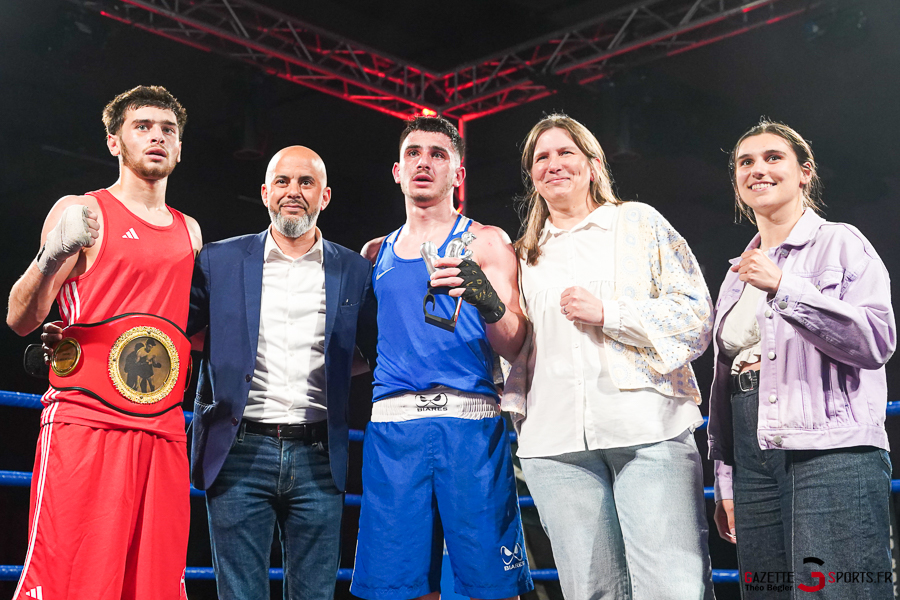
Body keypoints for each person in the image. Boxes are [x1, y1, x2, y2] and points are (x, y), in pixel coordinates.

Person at [501, 114, 715, 600]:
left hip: (647, 430)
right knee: (590, 592)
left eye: (565, 153)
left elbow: (696, 314)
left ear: (593, 164)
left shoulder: (638, 222)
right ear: (532, 176)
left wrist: (611, 313)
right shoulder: (523, 255)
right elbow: (512, 348)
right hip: (554, 444)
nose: (553, 164)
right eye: (541, 157)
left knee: (671, 589)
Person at [6, 85, 201, 600]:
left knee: (153, 584)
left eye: (168, 130)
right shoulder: (82, 213)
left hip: (162, 429)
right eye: (142, 127)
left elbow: (193, 328)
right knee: (72, 577)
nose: (157, 137)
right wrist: (51, 257)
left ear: (180, 148)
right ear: (115, 141)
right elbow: (20, 318)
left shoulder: (191, 232)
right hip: (86, 420)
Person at [708, 121, 895, 599]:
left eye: (773, 158)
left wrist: (785, 288)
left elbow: (876, 339)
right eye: (745, 162)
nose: (757, 169)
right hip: (753, 452)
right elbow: (726, 381)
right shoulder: (737, 273)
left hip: (830, 449)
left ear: (804, 172)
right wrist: (726, 476)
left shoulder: (841, 242)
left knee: (835, 592)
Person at [350, 116, 533, 600]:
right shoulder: (374, 254)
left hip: (470, 428)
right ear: (396, 170)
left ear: (458, 172)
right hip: (393, 431)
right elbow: (367, 349)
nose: (423, 163)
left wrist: (488, 301)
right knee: (399, 588)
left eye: (437, 154)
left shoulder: (489, 241)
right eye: (413, 153)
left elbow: (515, 346)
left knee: (493, 587)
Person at [186, 145, 377, 600]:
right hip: (238, 451)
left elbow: (370, 350)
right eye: (284, 182)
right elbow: (179, 332)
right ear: (265, 192)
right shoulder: (219, 260)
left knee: (314, 594)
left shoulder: (354, 268)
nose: (294, 192)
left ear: (325, 196)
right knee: (239, 594)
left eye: (306, 182)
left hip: (318, 454)